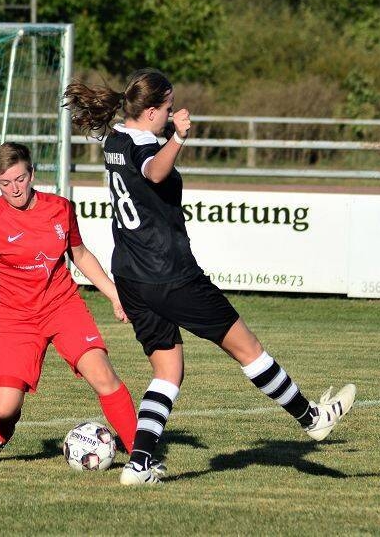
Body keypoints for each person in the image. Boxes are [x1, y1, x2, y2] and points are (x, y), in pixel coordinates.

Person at [63, 68, 357, 486]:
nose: (172, 115)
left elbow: (145, 163)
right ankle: (312, 418)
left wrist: (168, 137)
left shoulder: (116, 139)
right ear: (151, 111)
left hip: (131, 276)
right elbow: (154, 172)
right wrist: (179, 138)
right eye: (167, 108)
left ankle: (139, 464)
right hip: (170, 274)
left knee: (168, 371)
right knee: (248, 349)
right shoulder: (145, 145)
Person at [0, 142, 141, 463]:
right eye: (5, 183)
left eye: (20, 179)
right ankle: (1, 433)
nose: (15, 189)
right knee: (4, 408)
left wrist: (115, 295)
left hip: (62, 306)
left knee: (102, 374)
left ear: (32, 174)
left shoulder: (60, 208)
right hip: (16, 319)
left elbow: (80, 255)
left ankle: (142, 456)